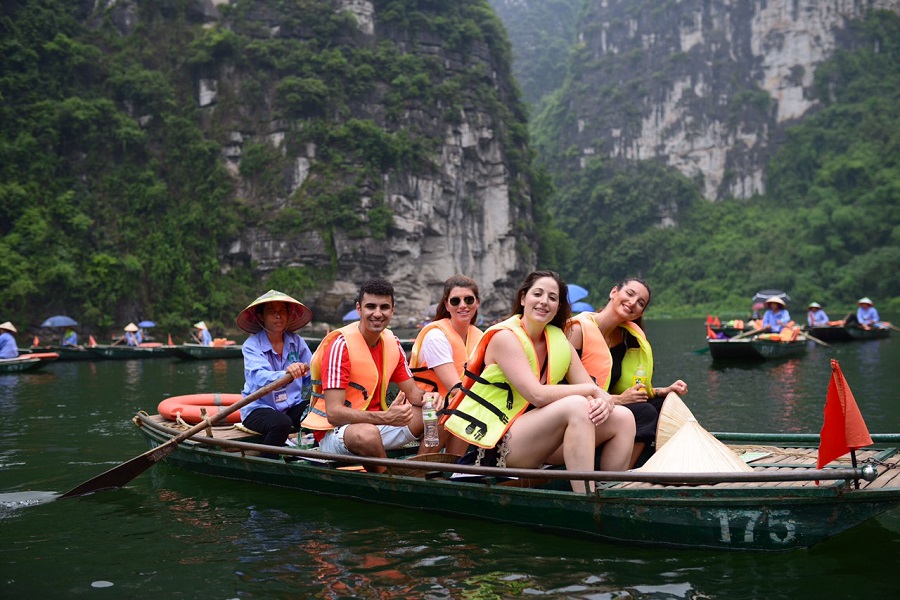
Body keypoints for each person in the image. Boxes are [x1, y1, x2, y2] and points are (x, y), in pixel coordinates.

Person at [442, 271, 635, 493]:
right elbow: (537, 395)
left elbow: (594, 395)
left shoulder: (559, 341)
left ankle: (611, 491)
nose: (544, 302)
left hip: (538, 441)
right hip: (499, 443)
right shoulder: (505, 338)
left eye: (552, 298)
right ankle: (588, 499)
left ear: (558, 306)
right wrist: (592, 390)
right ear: (523, 299)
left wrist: (604, 401)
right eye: (538, 294)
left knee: (623, 417)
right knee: (576, 405)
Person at [301, 278, 433, 472]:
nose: (377, 314)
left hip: (378, 425)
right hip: (337, 433)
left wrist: (430, 398)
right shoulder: (341, 347)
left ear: (392, 310)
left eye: (384, 307)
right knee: (367, 433)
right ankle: (390, 483)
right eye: (371, 307)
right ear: (359, 309)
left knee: (436, 412)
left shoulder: (392, 343)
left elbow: (414, 394)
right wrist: (386, 418)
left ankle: (422, 470)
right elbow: (334, 414)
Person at [567, 277, 688, 467]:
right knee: (645, 412)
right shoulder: (577, 330)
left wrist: (660, 391)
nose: (633, 303)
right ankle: (620, 472)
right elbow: (562, 386)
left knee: (663, 404)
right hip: (578, 409)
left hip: (607, 405)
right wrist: (620, 400)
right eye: (629, 294)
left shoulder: (621, 338)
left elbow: (614, 385)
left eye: (641, 303)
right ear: (614, 292)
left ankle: (631, 465)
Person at [408, 274, 484, 455]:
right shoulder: (436, 336)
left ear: (477, 303)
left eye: (468, 299)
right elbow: (456, 389)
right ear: (447, 305)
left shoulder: (480, 336)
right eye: (456, 301)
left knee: (463, 409)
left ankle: (456, 469)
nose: (463, 305)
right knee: (456, 409)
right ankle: (421, 470)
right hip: (424, 408)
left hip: (457, 407)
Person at [237, 290, 314, 458]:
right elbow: (260, 378)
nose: (278, 316)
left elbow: (312, 374)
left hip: (290, 405)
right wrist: (286, 373)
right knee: (281, 423)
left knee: (316, 415)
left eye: (282, 311)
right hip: (258, 407)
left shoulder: (296, 341)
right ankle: (266, 464)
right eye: (271, 311)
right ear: (260, 317)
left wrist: (316, 396)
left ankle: (314, 457)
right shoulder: (252, 345)